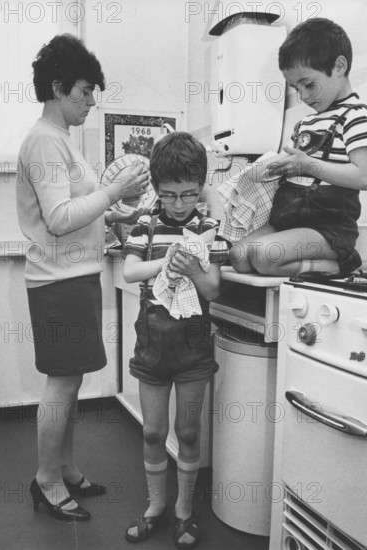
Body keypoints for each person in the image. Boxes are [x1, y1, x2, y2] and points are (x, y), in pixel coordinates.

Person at [16, 34, 149, 521]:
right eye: (85, 91)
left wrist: (109, 216)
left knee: (68, 384)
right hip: (59, 283)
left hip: (73, 277)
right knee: (63, 384)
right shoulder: (46, 143)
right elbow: (57, 218)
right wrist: (113, 192)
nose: (92, 101)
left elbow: (75, 210)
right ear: (57, 87)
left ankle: (65, 467)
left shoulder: (61, 141)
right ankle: (46, 481)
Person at [123, 132, 228, 548]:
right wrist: (169, 261)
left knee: (187, 432)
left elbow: (214, 289)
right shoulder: (147, 223)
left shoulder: (206, 228)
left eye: (188, 194)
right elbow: (131, 272)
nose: (179, 205)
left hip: (193, 348)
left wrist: (195, 269)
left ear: (199, 188)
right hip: (152, 345)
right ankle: (155, 506)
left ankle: (183, 511)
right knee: (152, 432)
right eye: (169, 195)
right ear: (157, 189)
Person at [229, 18, 367, 277]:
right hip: (290, 220)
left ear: (339, 66)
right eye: (297, 88)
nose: (304, 96)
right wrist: (274, 167)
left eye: (309, 84)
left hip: (328, 228)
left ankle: (341, 264)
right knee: (238, 256)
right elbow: (295, 168)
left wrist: (308, 165)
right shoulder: (305, 122)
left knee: (265, 256)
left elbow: (365, 177)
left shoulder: (357, 116)